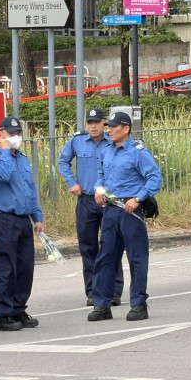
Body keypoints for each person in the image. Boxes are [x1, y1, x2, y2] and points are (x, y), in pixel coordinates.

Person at [88, 111, 163, 323]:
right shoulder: (107, 151)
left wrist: (138, 198)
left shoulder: (138, 152)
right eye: (108, 126)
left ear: (126, 129)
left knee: (136, 258)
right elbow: (100, 175)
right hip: (111, 210)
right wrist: (98, 190)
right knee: (105, 258)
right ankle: (101, 304)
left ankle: (138, 303)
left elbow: (155, 178)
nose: (109, 130)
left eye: (113, 127)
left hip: (130, 210)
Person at [58, 107, 123, 307]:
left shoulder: (112, 140)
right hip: (86, 200)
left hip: (108, 201)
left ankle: (113, 291)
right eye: (90, 123)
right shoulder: (77, 141)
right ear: (86, 124)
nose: (93, 126)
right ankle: (94, 291)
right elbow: (63, 161)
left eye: (97, 122)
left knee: (111, 246)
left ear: (104, 123)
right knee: (88, 247)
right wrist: (71, 182)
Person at [0, 116, 44, 332]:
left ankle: (17, 308)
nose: (15, 138)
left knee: (25, 267)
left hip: (22, 219)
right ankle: (0, 313)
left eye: (17, 133)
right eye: (10, 134)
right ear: (0, 134)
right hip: (4, 219)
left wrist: (37, 216)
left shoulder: (22, 159)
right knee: (5, 267)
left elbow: (29, 190)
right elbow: (5, 174)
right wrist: (4, 150)